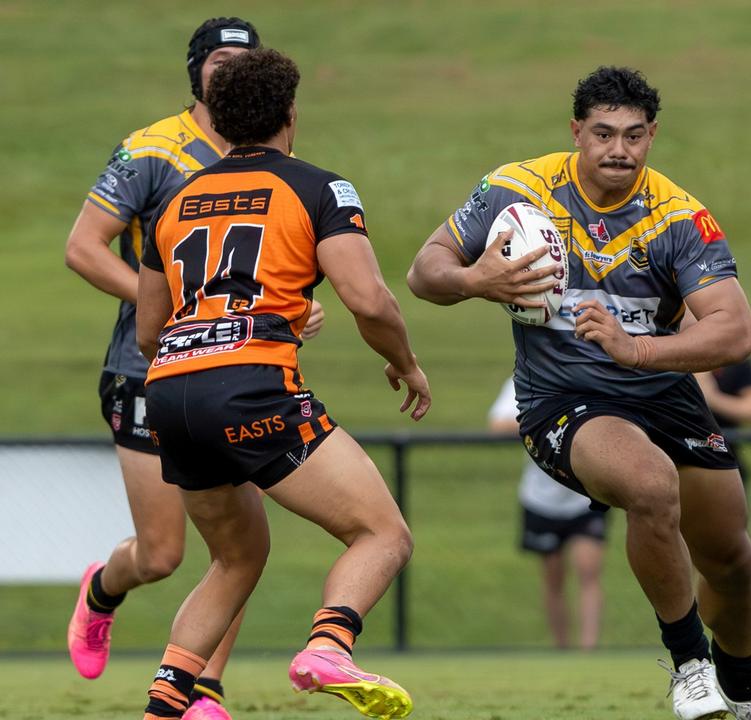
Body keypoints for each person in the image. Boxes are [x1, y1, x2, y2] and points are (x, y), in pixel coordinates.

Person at [408, 66, 751, 720]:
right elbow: (425, 271)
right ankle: (689, 663)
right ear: (576, 132)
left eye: (635, 136)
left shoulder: (677, 215)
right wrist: (480, 281)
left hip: (661, 391)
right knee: (649, 485)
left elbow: (734, 332)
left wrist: (637, 349)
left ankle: (747, 691)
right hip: (563, 400)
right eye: (604, 133)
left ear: (652, 137)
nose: (620, 149)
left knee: (731, 555)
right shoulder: (516, 189)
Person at [133, 48, 429, 720]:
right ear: (290, 114)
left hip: (170, 393)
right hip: (249, 388)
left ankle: (166, 705)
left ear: (221, 121)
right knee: (383, 534)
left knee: (237, 557)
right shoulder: (318, 188)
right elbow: (370, 300)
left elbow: (149, 328)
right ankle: (329, 644)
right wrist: (405, 362)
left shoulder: (175, 201)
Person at [62, 18, 324, 720]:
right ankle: (102, 591)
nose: (228, 69)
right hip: (143, 367)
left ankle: (205, 688)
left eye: (242, 59)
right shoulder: (153, 149)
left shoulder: (267, 156)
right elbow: (84, 248)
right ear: (195, 71)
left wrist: (293, 311)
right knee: (161, 553)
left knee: (234, 543)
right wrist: (170, 301)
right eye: (217, 59)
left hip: (236, 374)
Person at [489, 377, 608, 650]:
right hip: (541, 498)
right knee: (553, 578)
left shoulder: (587, 377)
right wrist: (547, 421)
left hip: (585, 495)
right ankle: (562, 647)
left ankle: (589, 649)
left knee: (588, 570)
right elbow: (498, 424)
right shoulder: (526, 380)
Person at [695, 359, 751, 484]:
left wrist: (712, 398)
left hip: (724, 462)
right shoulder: (659, 355)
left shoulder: (732, 358)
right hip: (671, 460)